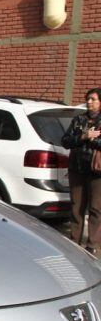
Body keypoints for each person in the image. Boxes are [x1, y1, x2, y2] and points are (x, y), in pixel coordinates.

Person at [62, 88, 101, 256]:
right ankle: (74, 241)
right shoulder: (78, 119)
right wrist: (84, 137)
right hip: (77, 168)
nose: (89, 102)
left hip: (97, 172)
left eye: (92, 99)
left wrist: (95, 139)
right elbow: (65, 141)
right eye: (87, 99)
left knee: (95, 209)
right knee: (76, 206)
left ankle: (92, 245)